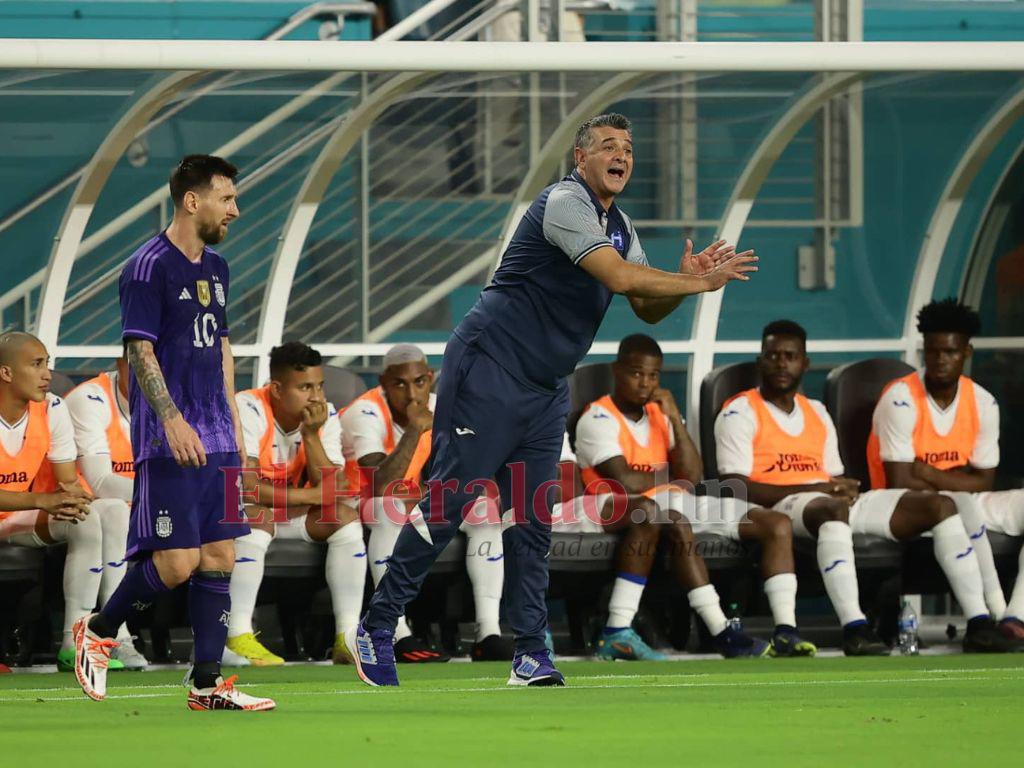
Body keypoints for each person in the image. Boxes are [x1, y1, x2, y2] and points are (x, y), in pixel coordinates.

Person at [346, 112, 756, 688]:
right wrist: (696, 283)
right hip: (489, 367)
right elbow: (617, 278)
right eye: (609, 146)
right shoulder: (564, 202)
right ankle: (377, 625)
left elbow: (644, 304)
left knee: (532, 515)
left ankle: (531, 653)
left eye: (629, 148)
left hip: (543, 387)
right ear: (580, 158)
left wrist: (681, 281)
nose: (622, 156)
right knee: (451, 502)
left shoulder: (621, 225)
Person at [72, 154, 275, 709]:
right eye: (226, 198)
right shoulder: (146, 266)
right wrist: (171, 418)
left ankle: (207, 684)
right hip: (169, 440)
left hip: (217, 436)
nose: (236, 208)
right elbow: (139, 350)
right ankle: (98, 630)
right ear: (193, 200)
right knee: (176, 562)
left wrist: (232, 421)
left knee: (221, 557)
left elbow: (223, 346)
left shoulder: (217, 266)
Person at [717, 319, 1017, 654]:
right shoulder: (739, 412)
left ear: (805, 363)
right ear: (760, 361)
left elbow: (831, 476)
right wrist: (821, 488)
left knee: (940, 505)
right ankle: (855, 628)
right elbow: (736, 486)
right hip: (777, 507)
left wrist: (837, 487)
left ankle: (978, 623)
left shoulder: (816, 412)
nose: (781, 363)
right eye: (773, 356)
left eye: (790, 356)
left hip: (825, 501)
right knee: (832, 507)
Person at [575, 334, 808, 658]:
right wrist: (674, 477)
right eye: (636, 373)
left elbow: (694, 476)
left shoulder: (659, 414)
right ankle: (721, 630)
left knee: (775, 522)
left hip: (676, 500)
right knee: (673, 516)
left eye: (653, 375)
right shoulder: (597, 418)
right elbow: (626, 480)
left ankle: (787, 631)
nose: (645, 383)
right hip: (620, 507)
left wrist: (674, 418)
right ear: (617, 371)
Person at [341, 344, 509, 662]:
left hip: (420, 502)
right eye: (399, 384)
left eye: (419, 381)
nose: (412, 393)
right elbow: (383, 483)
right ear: (383, 382)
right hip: (359, 505)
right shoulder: (364, 412)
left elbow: (471, 474)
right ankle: (395, 631)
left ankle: (488, 632)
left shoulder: (446, 406)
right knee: (388, 507)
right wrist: (416, 430)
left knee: (485, 510)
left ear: (430, 378)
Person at [868, 298, 1024, 642]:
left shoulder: (983, 402)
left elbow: (984, 480)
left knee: (976, 502)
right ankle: (989, 616)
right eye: (933, 351)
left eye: (950, 352)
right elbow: (900, 480)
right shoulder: (900, 398)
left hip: (962, 499)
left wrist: (929, 471)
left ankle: (1015, 616)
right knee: (956, 504)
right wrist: (953, 479)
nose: (941, 360)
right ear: (924, 350)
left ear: (966, 352)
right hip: (905, 506)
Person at [226, 341, 366, 666]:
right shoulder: (247, 408)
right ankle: (237, 635)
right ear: (276, 388)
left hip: (286, 514)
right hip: (235, 514)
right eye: (304, 387)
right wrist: (313, 495)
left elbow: (334, 487)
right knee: (258, 515)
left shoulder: (324, 414)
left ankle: (347, 638)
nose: (316, 396)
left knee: (344, 517)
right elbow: (245, 487)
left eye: (319, 386)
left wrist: (312, 435)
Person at [0, 332, 101, 669]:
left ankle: (76, 642)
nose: (47, 374)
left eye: (47, 365)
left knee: (87, 519)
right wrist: (42, 499)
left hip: (14, 519)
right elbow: (43, 497)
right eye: (36, 364)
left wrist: (76, 499)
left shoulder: (52, 408)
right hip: (25, 507)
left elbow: (68, 480)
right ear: (6, 373)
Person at [65, 351, 149, 669]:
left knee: (229, 526)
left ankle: (219, 640)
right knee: (114, 509)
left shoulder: (172, 402)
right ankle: (114, 632)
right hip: (88, 509)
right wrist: (169, 497)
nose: (150, 381)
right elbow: (100, 482)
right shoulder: (90, 398)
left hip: (143, 510)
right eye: (141, 369)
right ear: (121, 364)